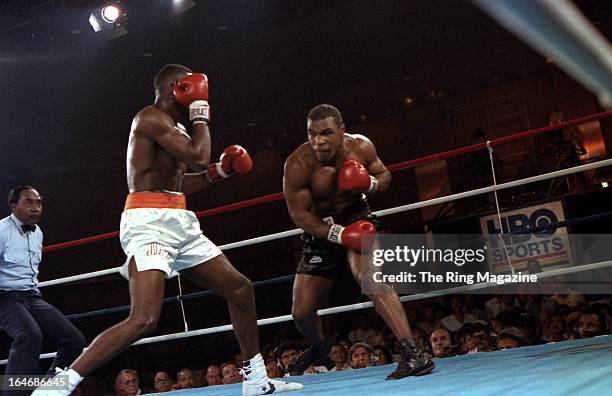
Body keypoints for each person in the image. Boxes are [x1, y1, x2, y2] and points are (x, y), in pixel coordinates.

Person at [32, 64, 302, 396]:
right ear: (178, 87)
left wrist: (222, 171)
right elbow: (198, 159)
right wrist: (201, 115)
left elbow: (182, 182)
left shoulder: (174, 128)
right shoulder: (150, 118)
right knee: (144, 318)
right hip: (148, 224)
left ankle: (257, 380)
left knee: (240, 289)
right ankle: (59, 385)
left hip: (179, 221)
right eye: (193, 86)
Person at [282, 104, 434, 380]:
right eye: (312, 134)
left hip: (356, 218)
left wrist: (369, 184)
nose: (319, 141)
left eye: (326, 133)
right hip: (320, 231)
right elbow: (299, 215)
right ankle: (319, 346)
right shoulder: (298, 164)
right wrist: (339, 234)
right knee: (301, 313)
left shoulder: (361, 147)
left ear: (342, 130)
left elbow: (385, 176)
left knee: (371, 278)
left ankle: (413, 354)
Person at [0, 186, 87, 396]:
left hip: (31, 296)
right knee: (29, 336)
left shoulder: (37, 232)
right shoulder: (2, 232)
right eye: (28, 203)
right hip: (4, 296)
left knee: (74, 340)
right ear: (13, 206)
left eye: (38, 203)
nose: (35, 208)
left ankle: (47, 389)